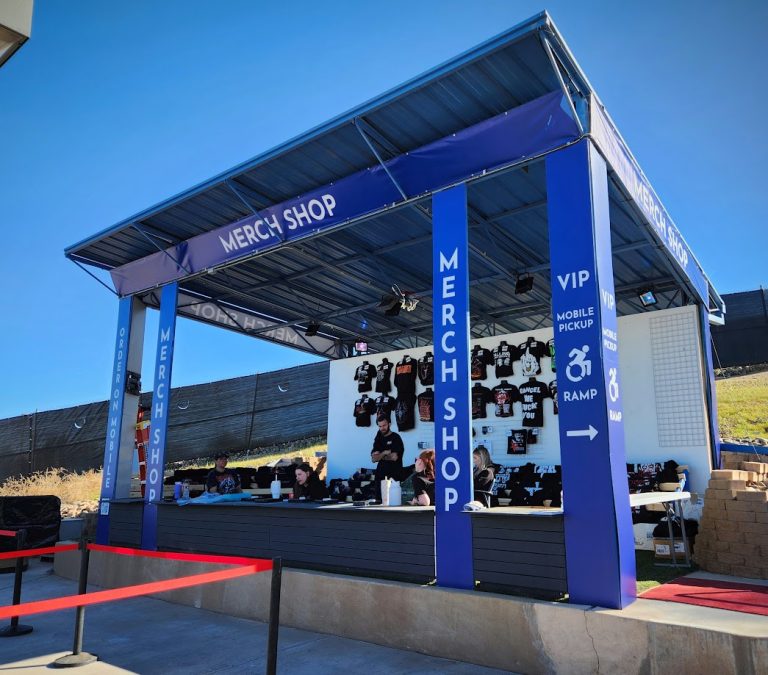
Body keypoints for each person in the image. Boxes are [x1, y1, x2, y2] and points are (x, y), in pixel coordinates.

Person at [370, 416, 405, 492]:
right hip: (380, 477)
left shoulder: (396, 438)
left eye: (384, 425)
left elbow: (394, 457)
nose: (382, 428)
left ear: (389, 424)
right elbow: (373, 459)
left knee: (393, 501)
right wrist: (385, 452)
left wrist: (380, 456)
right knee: (379, 501)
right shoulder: (378, 438)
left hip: (394, 477)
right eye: (380, 426)